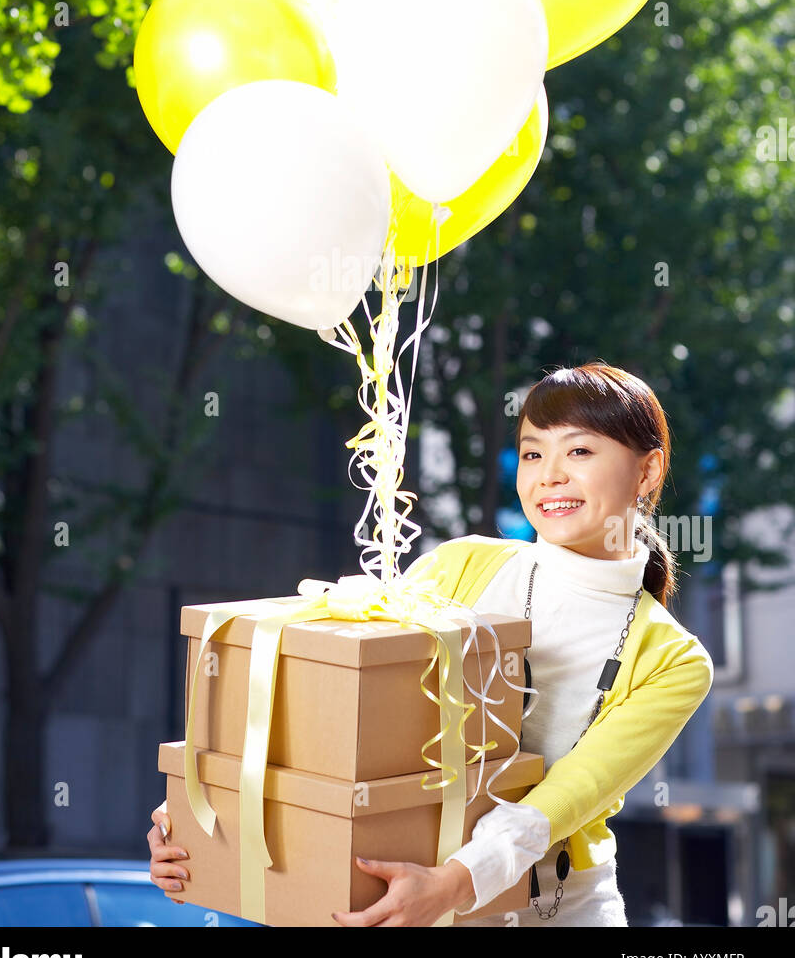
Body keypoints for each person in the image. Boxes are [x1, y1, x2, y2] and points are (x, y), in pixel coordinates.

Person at [148, 360, 714, 928]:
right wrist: (204, 813)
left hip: (556, 907)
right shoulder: (462, 565)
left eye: (580, 452)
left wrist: (453, 884)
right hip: (409, 891)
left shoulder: (672, 659)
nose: (550, 476)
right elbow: (338, 707)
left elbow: (570, 794)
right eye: (534, 452)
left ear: (647, 473)